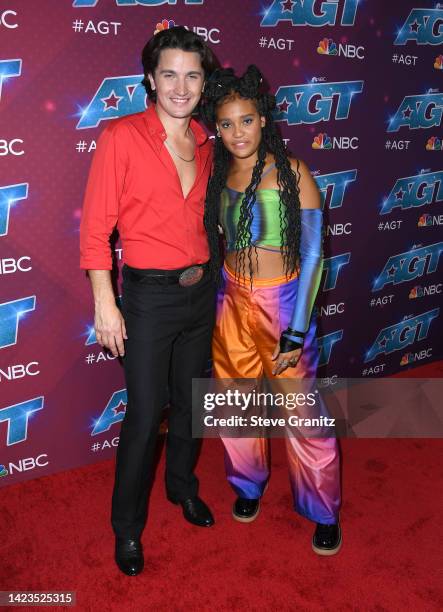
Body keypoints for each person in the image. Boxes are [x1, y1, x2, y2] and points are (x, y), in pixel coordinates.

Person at [80, 26, 219, 576]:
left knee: (190, 403)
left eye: (192, 74)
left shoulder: (209, 143)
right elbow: (95, 231)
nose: (180, 86)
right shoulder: (121, 136)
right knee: (143, 417)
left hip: (200, 291)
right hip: (146, 298)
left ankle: (183, 489)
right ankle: (127, 530)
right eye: (169, 74)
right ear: (150, 80)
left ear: (203, 81)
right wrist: (104, 301)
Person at [201, 65, 342, 555]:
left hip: (281, 304)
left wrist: (297, 328)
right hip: (230, 299)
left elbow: (312, 254)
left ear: (264, 120)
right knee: (235, 404)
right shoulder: (219, 172)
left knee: (302, 411)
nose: (237, 132)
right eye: (226, 124)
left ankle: (323, 511)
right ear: (216, 128)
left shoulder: (292, 171)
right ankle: (247, 486)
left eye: (246, 121)